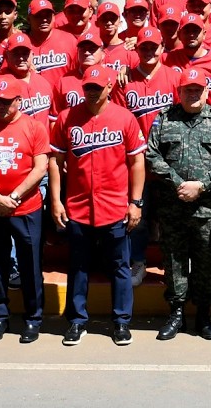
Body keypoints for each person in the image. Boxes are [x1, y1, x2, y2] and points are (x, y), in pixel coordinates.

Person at [50, 66, 147, 347]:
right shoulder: (68, 118)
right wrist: (56, 200)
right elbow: (55, 161)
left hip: (114, 207)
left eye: (97, 87)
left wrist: (136, 202)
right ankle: (77, 321)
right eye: (87, 87)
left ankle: (120, 322)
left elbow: (136, 162)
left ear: (109, 87)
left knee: (119, 266)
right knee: (78, 266)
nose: (91, 91)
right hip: (78, 206)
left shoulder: (124, 118)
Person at [144, 68, 211, 340]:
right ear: (179, 92)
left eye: (198, 89)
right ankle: (176, 314)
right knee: (173, 261)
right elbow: (153, 155)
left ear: (207, 92)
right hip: (172, 206)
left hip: (206, 208)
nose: (193, 94)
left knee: (206, 262)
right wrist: (177, 183)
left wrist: (201, 185)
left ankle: (204, 315)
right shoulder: (164, 119)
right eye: (188, 89)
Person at [0, 76, 50, 344]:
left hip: (26, 207)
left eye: (6, 101)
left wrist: (13, 197)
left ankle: (33, 318)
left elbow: (41, 167)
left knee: (30, 264)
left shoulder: (34, 128)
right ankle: (0, 317)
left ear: (19, 101)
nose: (1, 106)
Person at [112, 27, 181, 286]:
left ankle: (171, 263)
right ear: (136, 50)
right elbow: (119, 119)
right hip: (136, 160)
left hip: (167, 160)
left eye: (154, 46)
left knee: (169, 217)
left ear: (162, 48)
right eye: (144, 47)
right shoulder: (125, 80)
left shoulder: (174, 77)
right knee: (137, 217)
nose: (149, 51)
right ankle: (138, 261)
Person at [163, 14, 211, 121]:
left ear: (204, 34)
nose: (191, 35)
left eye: (195, 31)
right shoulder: (167, 60)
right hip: (176, 124)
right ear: (179, 35)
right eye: (187, 31)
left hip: (210, 127)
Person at [26, 0, 79, 78]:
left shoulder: (69, 40)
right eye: (38, 16)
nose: (44, 20)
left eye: (48, 16)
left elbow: (78, 73)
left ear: (54, 17)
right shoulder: (22, 43)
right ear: (29, 19)